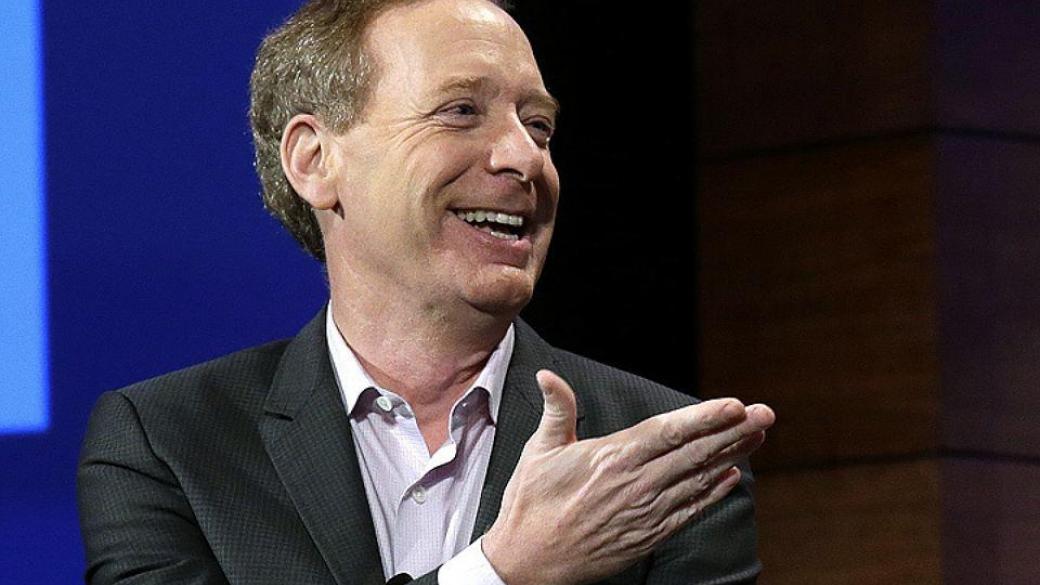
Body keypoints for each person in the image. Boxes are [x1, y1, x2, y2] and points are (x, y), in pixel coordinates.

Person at [77, 0, 776, 583]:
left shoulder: (663, 458)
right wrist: (502, 574)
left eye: (538, 126)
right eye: (461, 111)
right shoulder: (169, 444)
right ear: (316, 160)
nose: (524, 157)